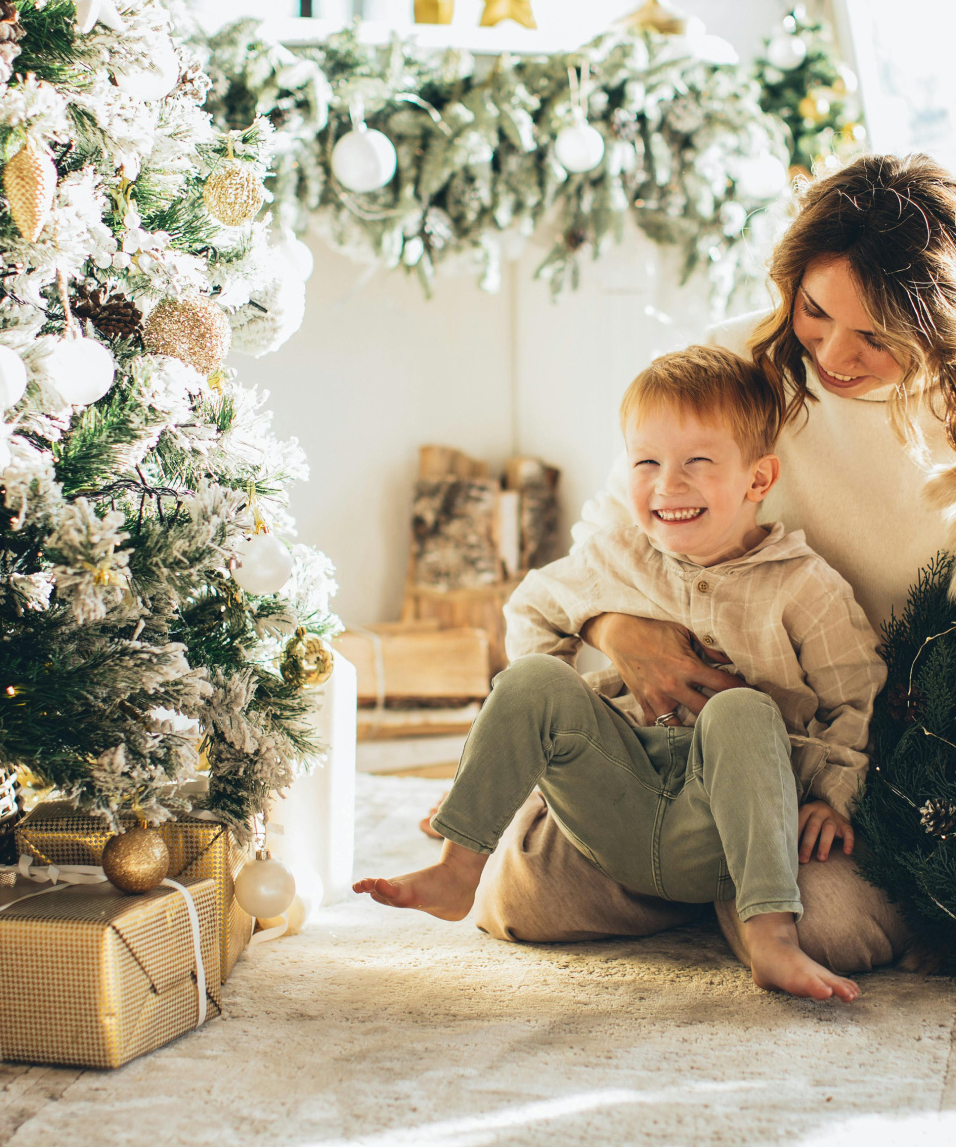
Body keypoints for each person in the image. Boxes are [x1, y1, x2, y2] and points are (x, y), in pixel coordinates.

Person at [466, 152, 956, 973]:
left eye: (876, 335)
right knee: (519, 903)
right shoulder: (736, 365)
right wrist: (617, 628)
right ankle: (709, 864)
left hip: (863, 761)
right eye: (815, 311)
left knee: (833, 929)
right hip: (686, 742)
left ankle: (735, 881)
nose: (835, 352)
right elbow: (611, 536)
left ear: (946, 326)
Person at [357, 346, 885, 1001]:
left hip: (731, 817)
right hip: (623, 789)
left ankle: (770, 936)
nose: (668, 485)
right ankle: (456, 866)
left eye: (698, 462)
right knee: (530, 683)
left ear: (758, 479)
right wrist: (542, 738)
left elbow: (856, 697)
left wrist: (833, 798)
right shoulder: (614, 557)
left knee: (743, 711)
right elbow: (530, 613)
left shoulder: (802, 586)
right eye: (646, 463)